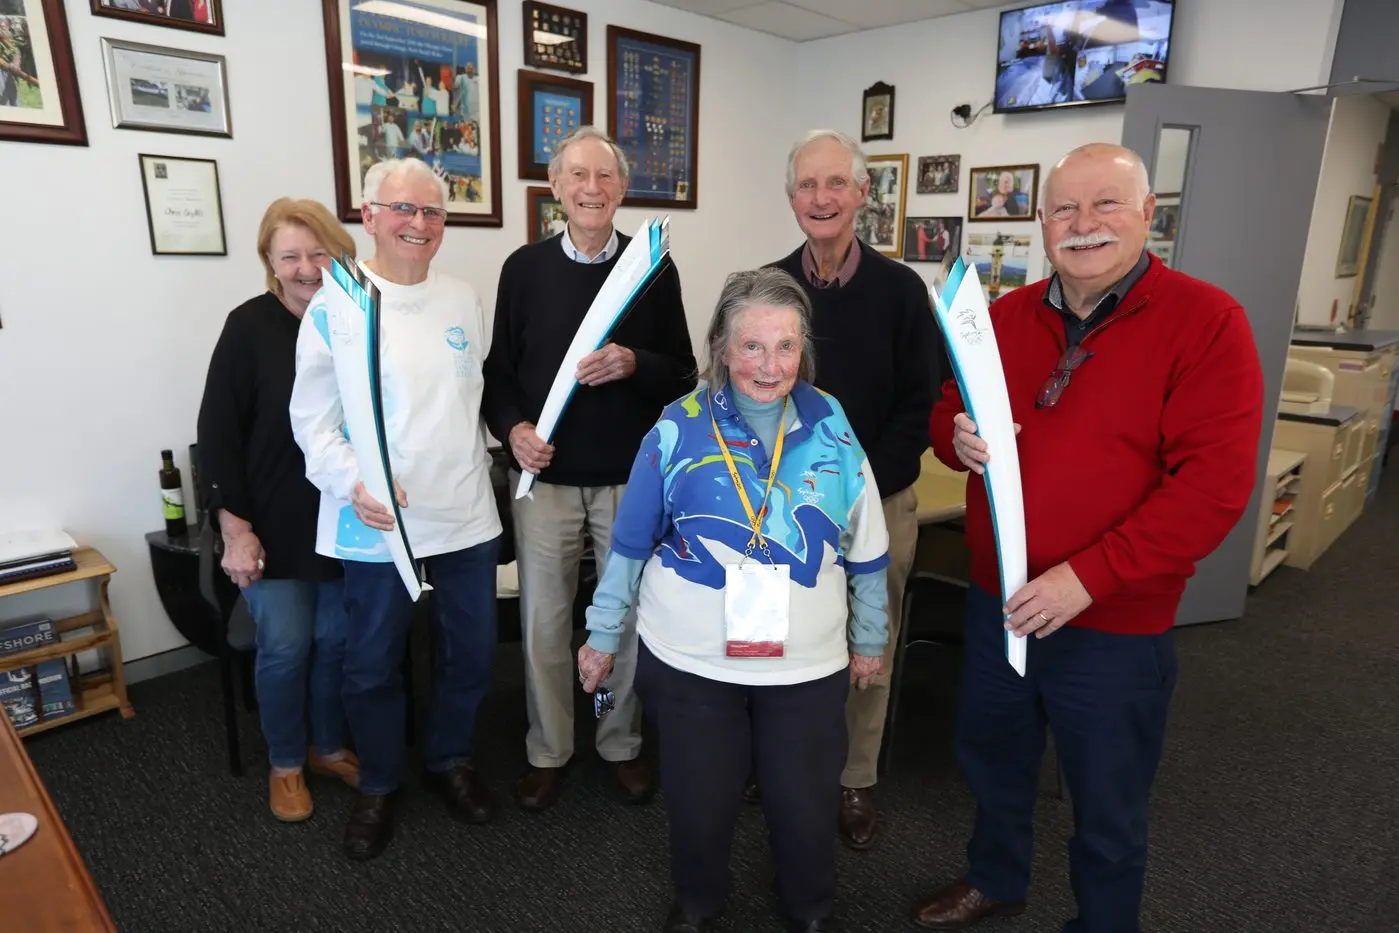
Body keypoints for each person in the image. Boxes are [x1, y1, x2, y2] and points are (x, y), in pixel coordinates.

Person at [913, 143, 1264, 932]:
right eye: (1065, 208)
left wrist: (1085, 577)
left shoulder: (1207, 321)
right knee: (993, 760)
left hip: (1111, 620)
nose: (1083, 223)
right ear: (1041, 222)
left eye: (1106, 202)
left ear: (1147, 214)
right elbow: (944, 411)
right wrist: (955, 434)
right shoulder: (1000, 317)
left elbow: (1210, 491)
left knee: (1107, 797)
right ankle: (994, 878)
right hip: (998, 600)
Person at [578, 268, 890, 933]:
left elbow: (866, 537)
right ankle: (697, 901)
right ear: (721, 347)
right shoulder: (677, 425)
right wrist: (603, 634)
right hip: (691, 657)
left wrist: (869, 635)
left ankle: (809, 904)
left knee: (804, 801)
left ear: (803, 349)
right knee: (699, 799)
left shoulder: (830, 421)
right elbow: (630, 541)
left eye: (785, 346)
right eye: (752, 346)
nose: (769, 366)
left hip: (805, 662)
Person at [290, 158, 504, 861]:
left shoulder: (462, 298)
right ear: (369, 216)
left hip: (463, 511)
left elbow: (471, 399)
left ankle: (449, 758)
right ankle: (379, 782)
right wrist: (354, 479)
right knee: (372, 663)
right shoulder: (338, 304)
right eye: (403, 209)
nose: (419, 223)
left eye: (432, 211)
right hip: (376, 520)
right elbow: (311, 421)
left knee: (471, 652)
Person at [483, 125, 695, 811]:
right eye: (577, 175)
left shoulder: (652, 268)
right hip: (543, 481)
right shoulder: (523, 270)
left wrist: (636, 363)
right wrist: (513, 430)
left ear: (622, 188)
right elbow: (498, 375)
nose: (591, 189)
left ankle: (616, 738)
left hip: (629, 480)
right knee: (544, 624)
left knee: (622, 621)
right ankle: (549, 746)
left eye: (604, 177)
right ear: (555, 186)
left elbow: (684, 372)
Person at [761, 128, 945, 850]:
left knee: (871, 642)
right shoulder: (766, 288)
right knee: (782, 634)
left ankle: (854, 776)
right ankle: (782, 759)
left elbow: (920, 405)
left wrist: (857, 486)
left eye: (836, 183)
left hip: (878, 501)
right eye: (807, 185)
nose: (821, 197)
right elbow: (741, 391)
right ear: (791, 198)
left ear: (863, 194)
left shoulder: (901, 292)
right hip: (782, 505)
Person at [195, 198, 360, 823]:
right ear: (269, 260)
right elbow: (218, 434)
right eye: (290, 256)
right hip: (270, 525)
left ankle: (326, 748)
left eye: (319, 253)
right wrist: (235, 531)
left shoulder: (356, 321)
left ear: (339, 255)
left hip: (345, 517)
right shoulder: (248, 327)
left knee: (336, 641)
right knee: (287, 647)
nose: (307, 268)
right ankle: (287, 763)